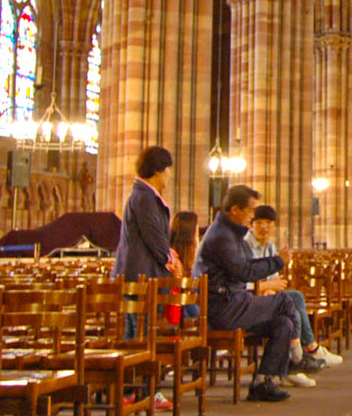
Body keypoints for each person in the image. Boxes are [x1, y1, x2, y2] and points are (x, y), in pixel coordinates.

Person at [192, 184, 299, 402]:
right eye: (250, 211)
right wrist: (278, 262)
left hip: (233, 302)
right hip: (223, 308)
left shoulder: (230, 234)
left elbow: (246, 265)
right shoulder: (222, 236)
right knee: (285, 301)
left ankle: (262, 381)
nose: (252, 216)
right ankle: (299, 355)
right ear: (235, 210)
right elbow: (244, 271)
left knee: (283, 324)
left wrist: (275, 260)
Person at [245, 204, 344, 369]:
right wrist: (266, 286)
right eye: (259, 222)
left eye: (268, 223)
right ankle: (302, 356)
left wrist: (271, 288)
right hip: (249, 300)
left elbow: (275, 279)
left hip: (264, 297)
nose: (264, 227)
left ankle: (307, 351)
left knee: (295, 297)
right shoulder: (245, 247)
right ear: (251, 225)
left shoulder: (270, 247)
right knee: (292, 311)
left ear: (274, 226)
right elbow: (243, 282)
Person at [112, 145, 182, 283]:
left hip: (145, 274)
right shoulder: (145, 198)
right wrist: (170, 260)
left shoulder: (145, 195)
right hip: (141, 278)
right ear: (157, 172)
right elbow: (153, 235)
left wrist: (168, 253)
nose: (170, 174)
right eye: (167, 169)